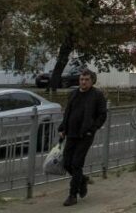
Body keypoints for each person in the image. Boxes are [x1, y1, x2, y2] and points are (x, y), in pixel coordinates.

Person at [57, 69, 108, 206]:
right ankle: (82, 179)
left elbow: (102, 114)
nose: (83, 82)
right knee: (67, 163)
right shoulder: (73, 94)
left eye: (86, 80)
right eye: (81, 79)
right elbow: (68, 112)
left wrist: (92, 129)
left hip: (85, 135)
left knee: (76, 164)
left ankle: (72, 195)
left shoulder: (97, 95)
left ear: (92, 81)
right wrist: (63, 128)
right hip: (71, 133)